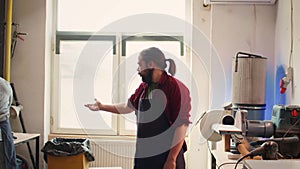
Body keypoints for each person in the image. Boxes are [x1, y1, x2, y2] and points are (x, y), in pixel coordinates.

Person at [85, 47, 191, 169]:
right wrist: (102, 107)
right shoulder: (144, 87)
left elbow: (182, 125)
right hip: (144, 155)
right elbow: (128, 106)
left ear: (150, 64)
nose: (138, 70)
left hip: (166, 157)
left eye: (140, 65)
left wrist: (171, 159)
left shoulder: (175, 88)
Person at [0, 77, 18, 169]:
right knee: (8, 151)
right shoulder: (5, 84)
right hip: (4, 120)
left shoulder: (3, 86)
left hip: (2, 120)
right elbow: (9, 103)